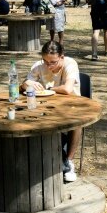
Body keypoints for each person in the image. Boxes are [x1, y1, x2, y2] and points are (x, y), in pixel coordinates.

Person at [21, 40, 81, 182]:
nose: (49, 66)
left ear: (62, 56)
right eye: (46, 61)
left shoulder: (70, 64)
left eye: (53, 62)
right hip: (45, 107)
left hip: (71, 106)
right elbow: (24, 85)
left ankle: (69, 161)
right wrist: (27, 84)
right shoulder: (38, 66)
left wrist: (48, 89)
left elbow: (67, 89)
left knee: (77, 122)